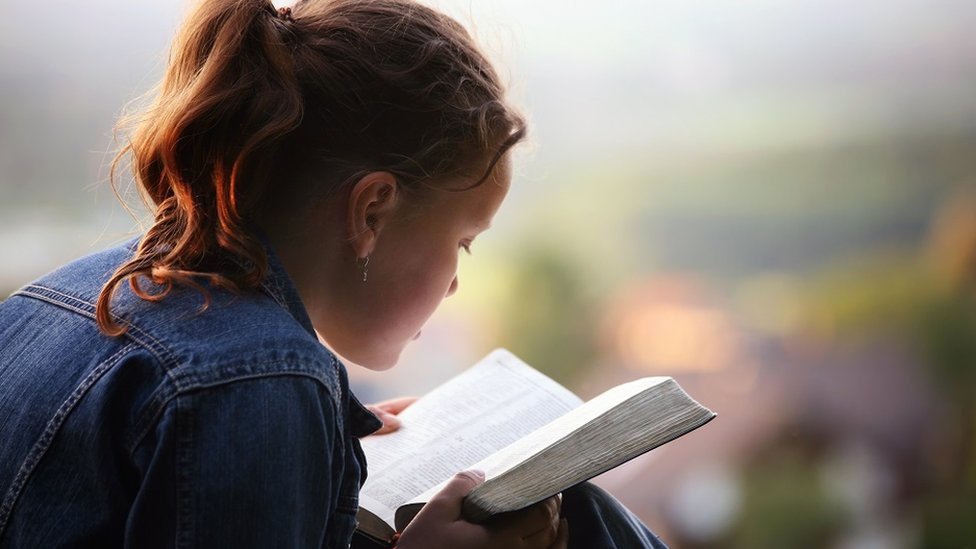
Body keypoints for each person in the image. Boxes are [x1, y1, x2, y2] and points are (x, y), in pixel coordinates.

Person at [0, 0, 667, 547]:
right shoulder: (262, 382)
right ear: (372, 211)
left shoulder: (57, 296)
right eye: (463, 243)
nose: (459, 282)